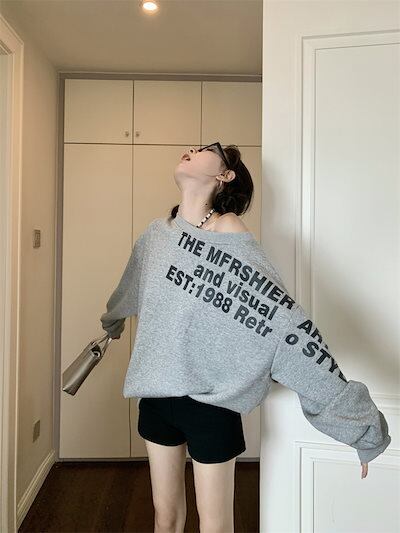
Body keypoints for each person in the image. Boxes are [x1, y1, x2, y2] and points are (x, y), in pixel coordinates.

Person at [100, 143, 391, 533]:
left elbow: (282, 320)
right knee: (164, 518)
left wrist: (361, 427)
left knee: (215, 525)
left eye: (207, 149)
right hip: (156, 396)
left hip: (211, 405)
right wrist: (112, 322)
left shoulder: (229, 230)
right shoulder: (156, 235)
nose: (191, 149)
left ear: (225, 175)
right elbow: (129, 289)